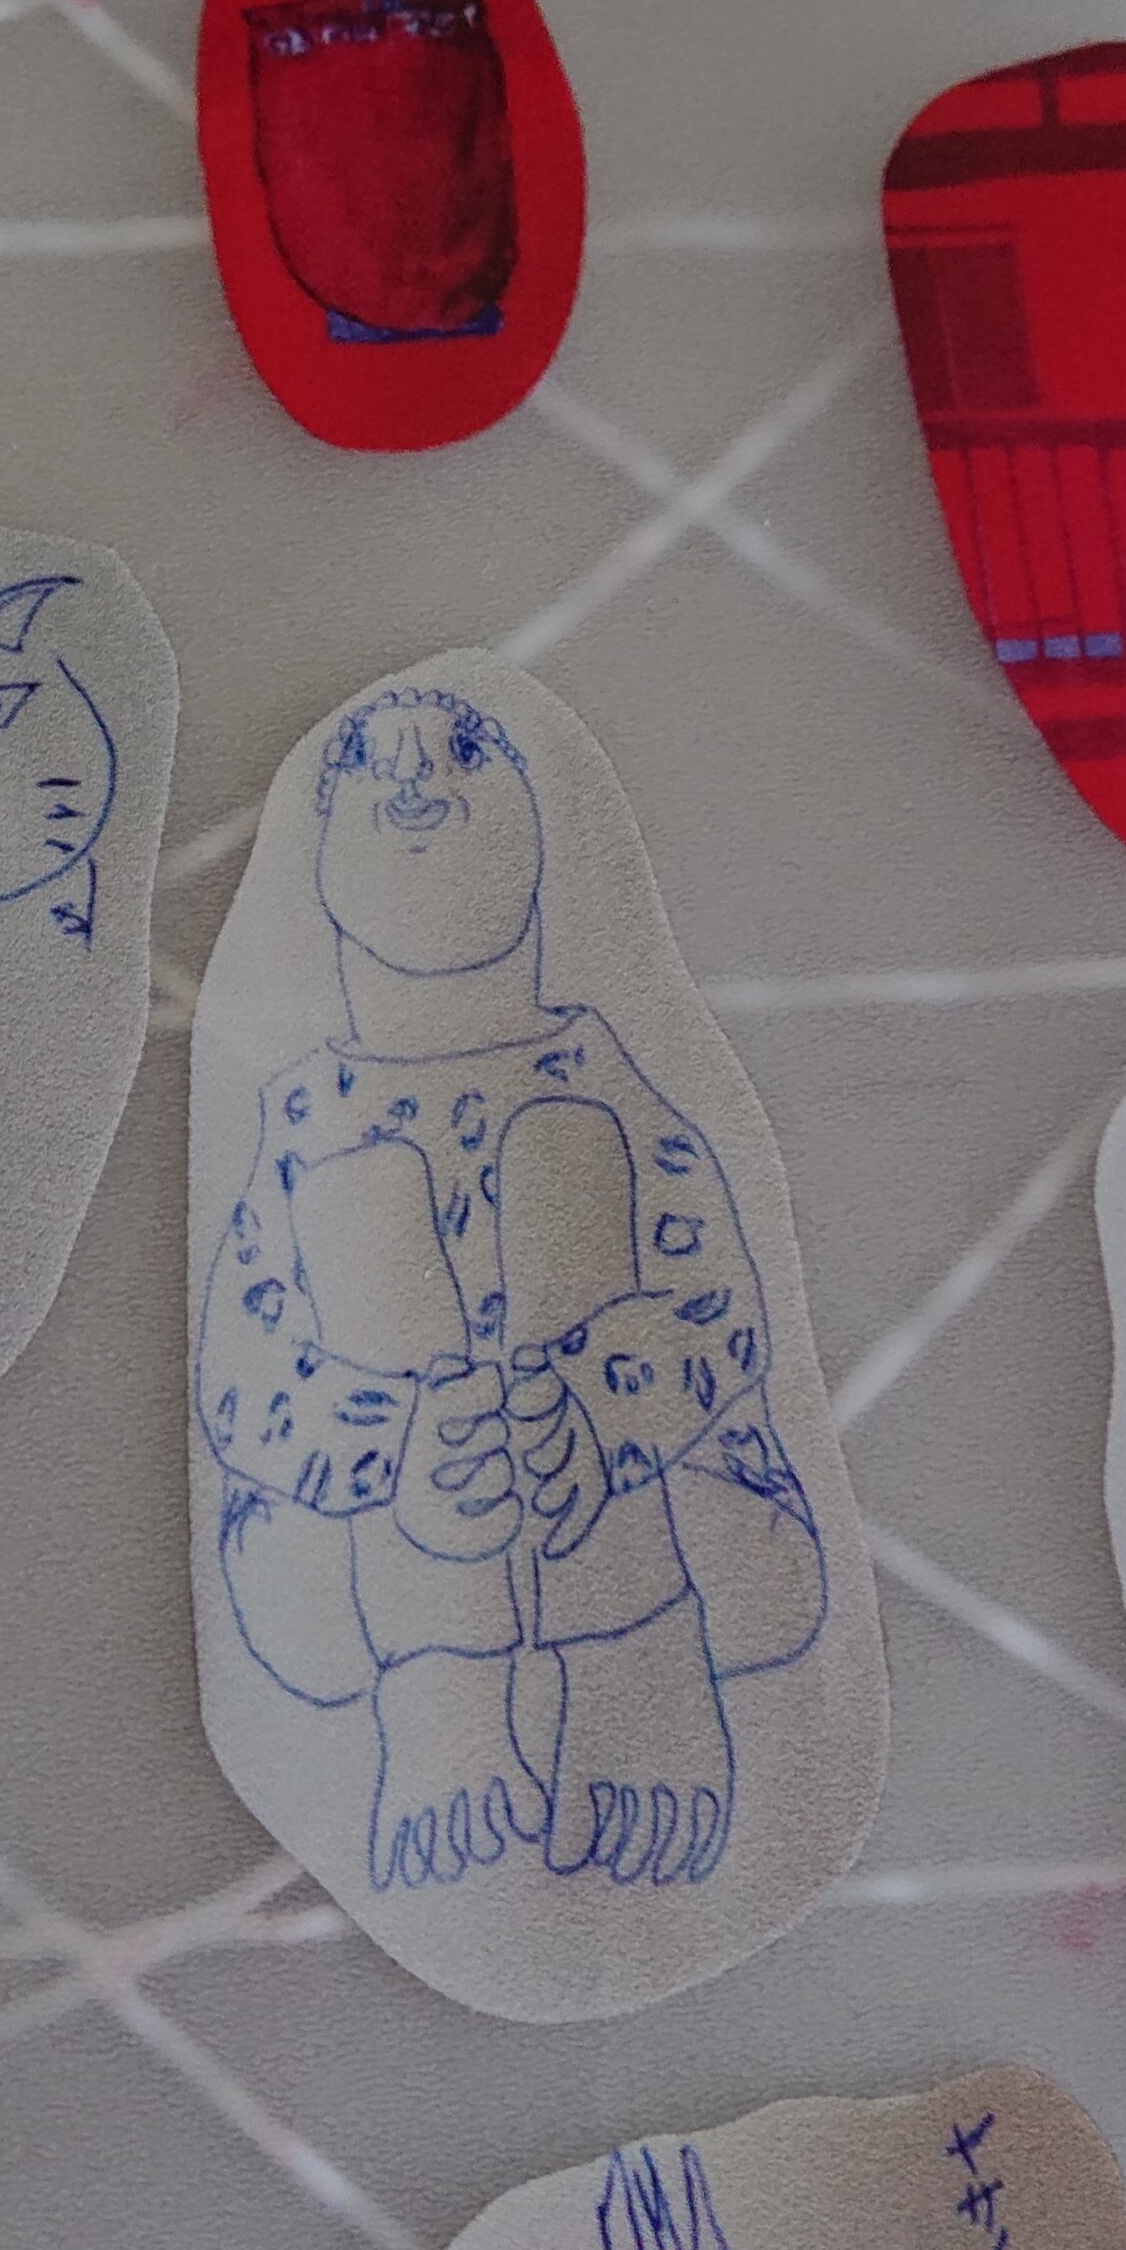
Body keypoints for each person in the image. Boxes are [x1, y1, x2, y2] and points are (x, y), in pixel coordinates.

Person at [196, 686, 817, 1896]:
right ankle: (446, 1693)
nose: (416, 787)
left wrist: (593, 1411)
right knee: (364, 1188)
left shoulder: (600, 1078)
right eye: (372, 769)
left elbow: (717, 1302)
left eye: (465, 753)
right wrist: (397, 1442)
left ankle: (638, 1656)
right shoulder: (306, 1118)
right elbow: (245, 1368)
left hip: (663, 1526)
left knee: (561, 1155)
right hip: (368, 1575)